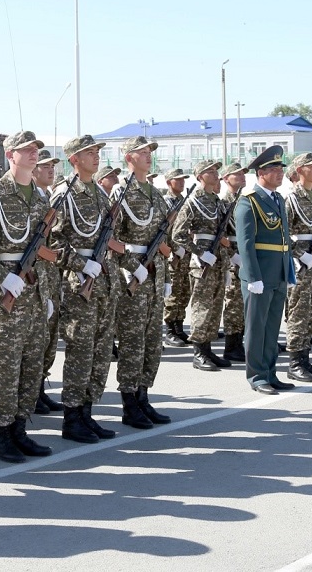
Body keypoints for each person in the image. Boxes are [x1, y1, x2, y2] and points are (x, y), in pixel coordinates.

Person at [0, 130, 56, 463]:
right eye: (26, 150)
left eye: (36, 150)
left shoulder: (40, 196)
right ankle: (1, 435)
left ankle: (20, 430)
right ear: (11, 155)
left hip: (34, 293)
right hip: (7, 295)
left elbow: (42, 250)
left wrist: (44, 291)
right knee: (6, 366)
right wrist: (3, 277)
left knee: (32, 365)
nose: (34, 154)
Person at [49, 135, 123, 442]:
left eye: (96, 152)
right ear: (74, 159)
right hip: (79, 284)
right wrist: (80, 265)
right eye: (89, 153)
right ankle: (72, 417)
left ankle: (87, 412)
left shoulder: (100, 194)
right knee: (80, 351)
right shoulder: (63, 195)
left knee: (100, 350)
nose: (96, 157)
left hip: (104, 282)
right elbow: (50, 242)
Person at [110, 136, 172, 428]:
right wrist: (132, 267)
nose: (149, 156)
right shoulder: (120, 193)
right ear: (129, 158)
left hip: (156, 273)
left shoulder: (156, 193)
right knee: (133, 340)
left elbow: (162, 239)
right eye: (143, 152)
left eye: (150, 153)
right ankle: (129, 402)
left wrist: (167, 276)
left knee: (152, 341)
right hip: (134, 275)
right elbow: (110, 241)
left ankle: (144, 396)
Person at [235, 146, 294, 394]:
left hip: (277, 273)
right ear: (261, 173)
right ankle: (257, 376)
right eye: (274, 169)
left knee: (272, 328)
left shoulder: (277, 199)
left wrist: (288, 272)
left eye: (281, 169)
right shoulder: (248, 202)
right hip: (259, 276)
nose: (280, 173)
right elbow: (245, 243)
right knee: (256, 329)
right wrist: (253, 277)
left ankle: (270, 372)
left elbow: (284, 239)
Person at [172, 160, 232, 371]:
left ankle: (208, 349)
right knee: (202, 306)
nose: (216, 174)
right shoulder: (192, 202)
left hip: (219, 260)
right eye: (210, 172)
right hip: (202, 263)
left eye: (217, 171)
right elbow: (178, 235)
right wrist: (199, 252)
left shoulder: (218, 202)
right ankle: (198, 352)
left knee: (215, 306)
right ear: (200, 176)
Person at [284, 153, 312, 382]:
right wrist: (300, 255)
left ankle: (305, 358)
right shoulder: (290, 199)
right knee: (298, 312)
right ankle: (294, 362)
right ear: (300, 170)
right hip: (300, 264)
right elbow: (281, 234)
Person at [34, 149, 65, 415]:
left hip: (51, 277)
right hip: (35, 278)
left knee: (49, 337)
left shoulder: (48, 198)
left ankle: (40, 389)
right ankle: (32, 393)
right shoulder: (36, 200)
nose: (50, 170)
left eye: (52, 166)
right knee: (35, 339)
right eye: (45, 166)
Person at [219, 162, 248, 362]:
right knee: (233, 302)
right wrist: (231, 254)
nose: (242, 176)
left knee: (245, 301)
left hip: (246, 253)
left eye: (243, 173)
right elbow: (219, 234)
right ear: (226, 178)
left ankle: (240, 341)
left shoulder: (245, 200)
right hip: (233, 255)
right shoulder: (224, 203)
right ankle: (231, 345)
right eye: (236, 174)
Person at [161, 168, 192, 346]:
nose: (181, 182)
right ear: (168, 183)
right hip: (172, 254)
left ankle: (179, 326)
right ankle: (170, 330)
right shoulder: (166, 203)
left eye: (183, 180)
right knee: (173, 292)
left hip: (184, 252)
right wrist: (173, 249)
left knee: (183, 290)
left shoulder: (183, 201)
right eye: (177, 180)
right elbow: (165, 230)